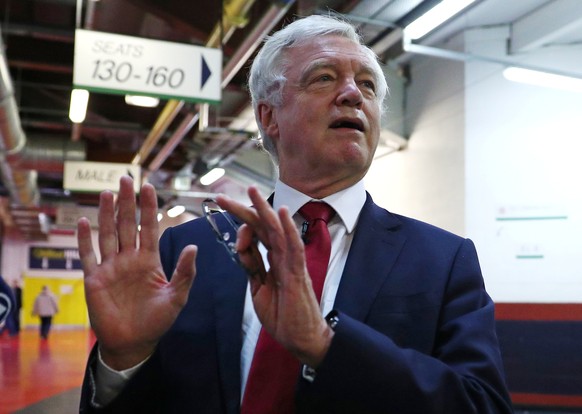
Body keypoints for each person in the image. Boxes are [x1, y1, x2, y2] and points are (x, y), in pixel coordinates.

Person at [77, 14, 513, 413]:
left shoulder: (443, 260)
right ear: (269, 117)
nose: (351, 95)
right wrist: (122, 362)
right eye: (324, 78)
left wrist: (327, 345)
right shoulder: (187, 250)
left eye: (366, 85)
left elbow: (483, 405)